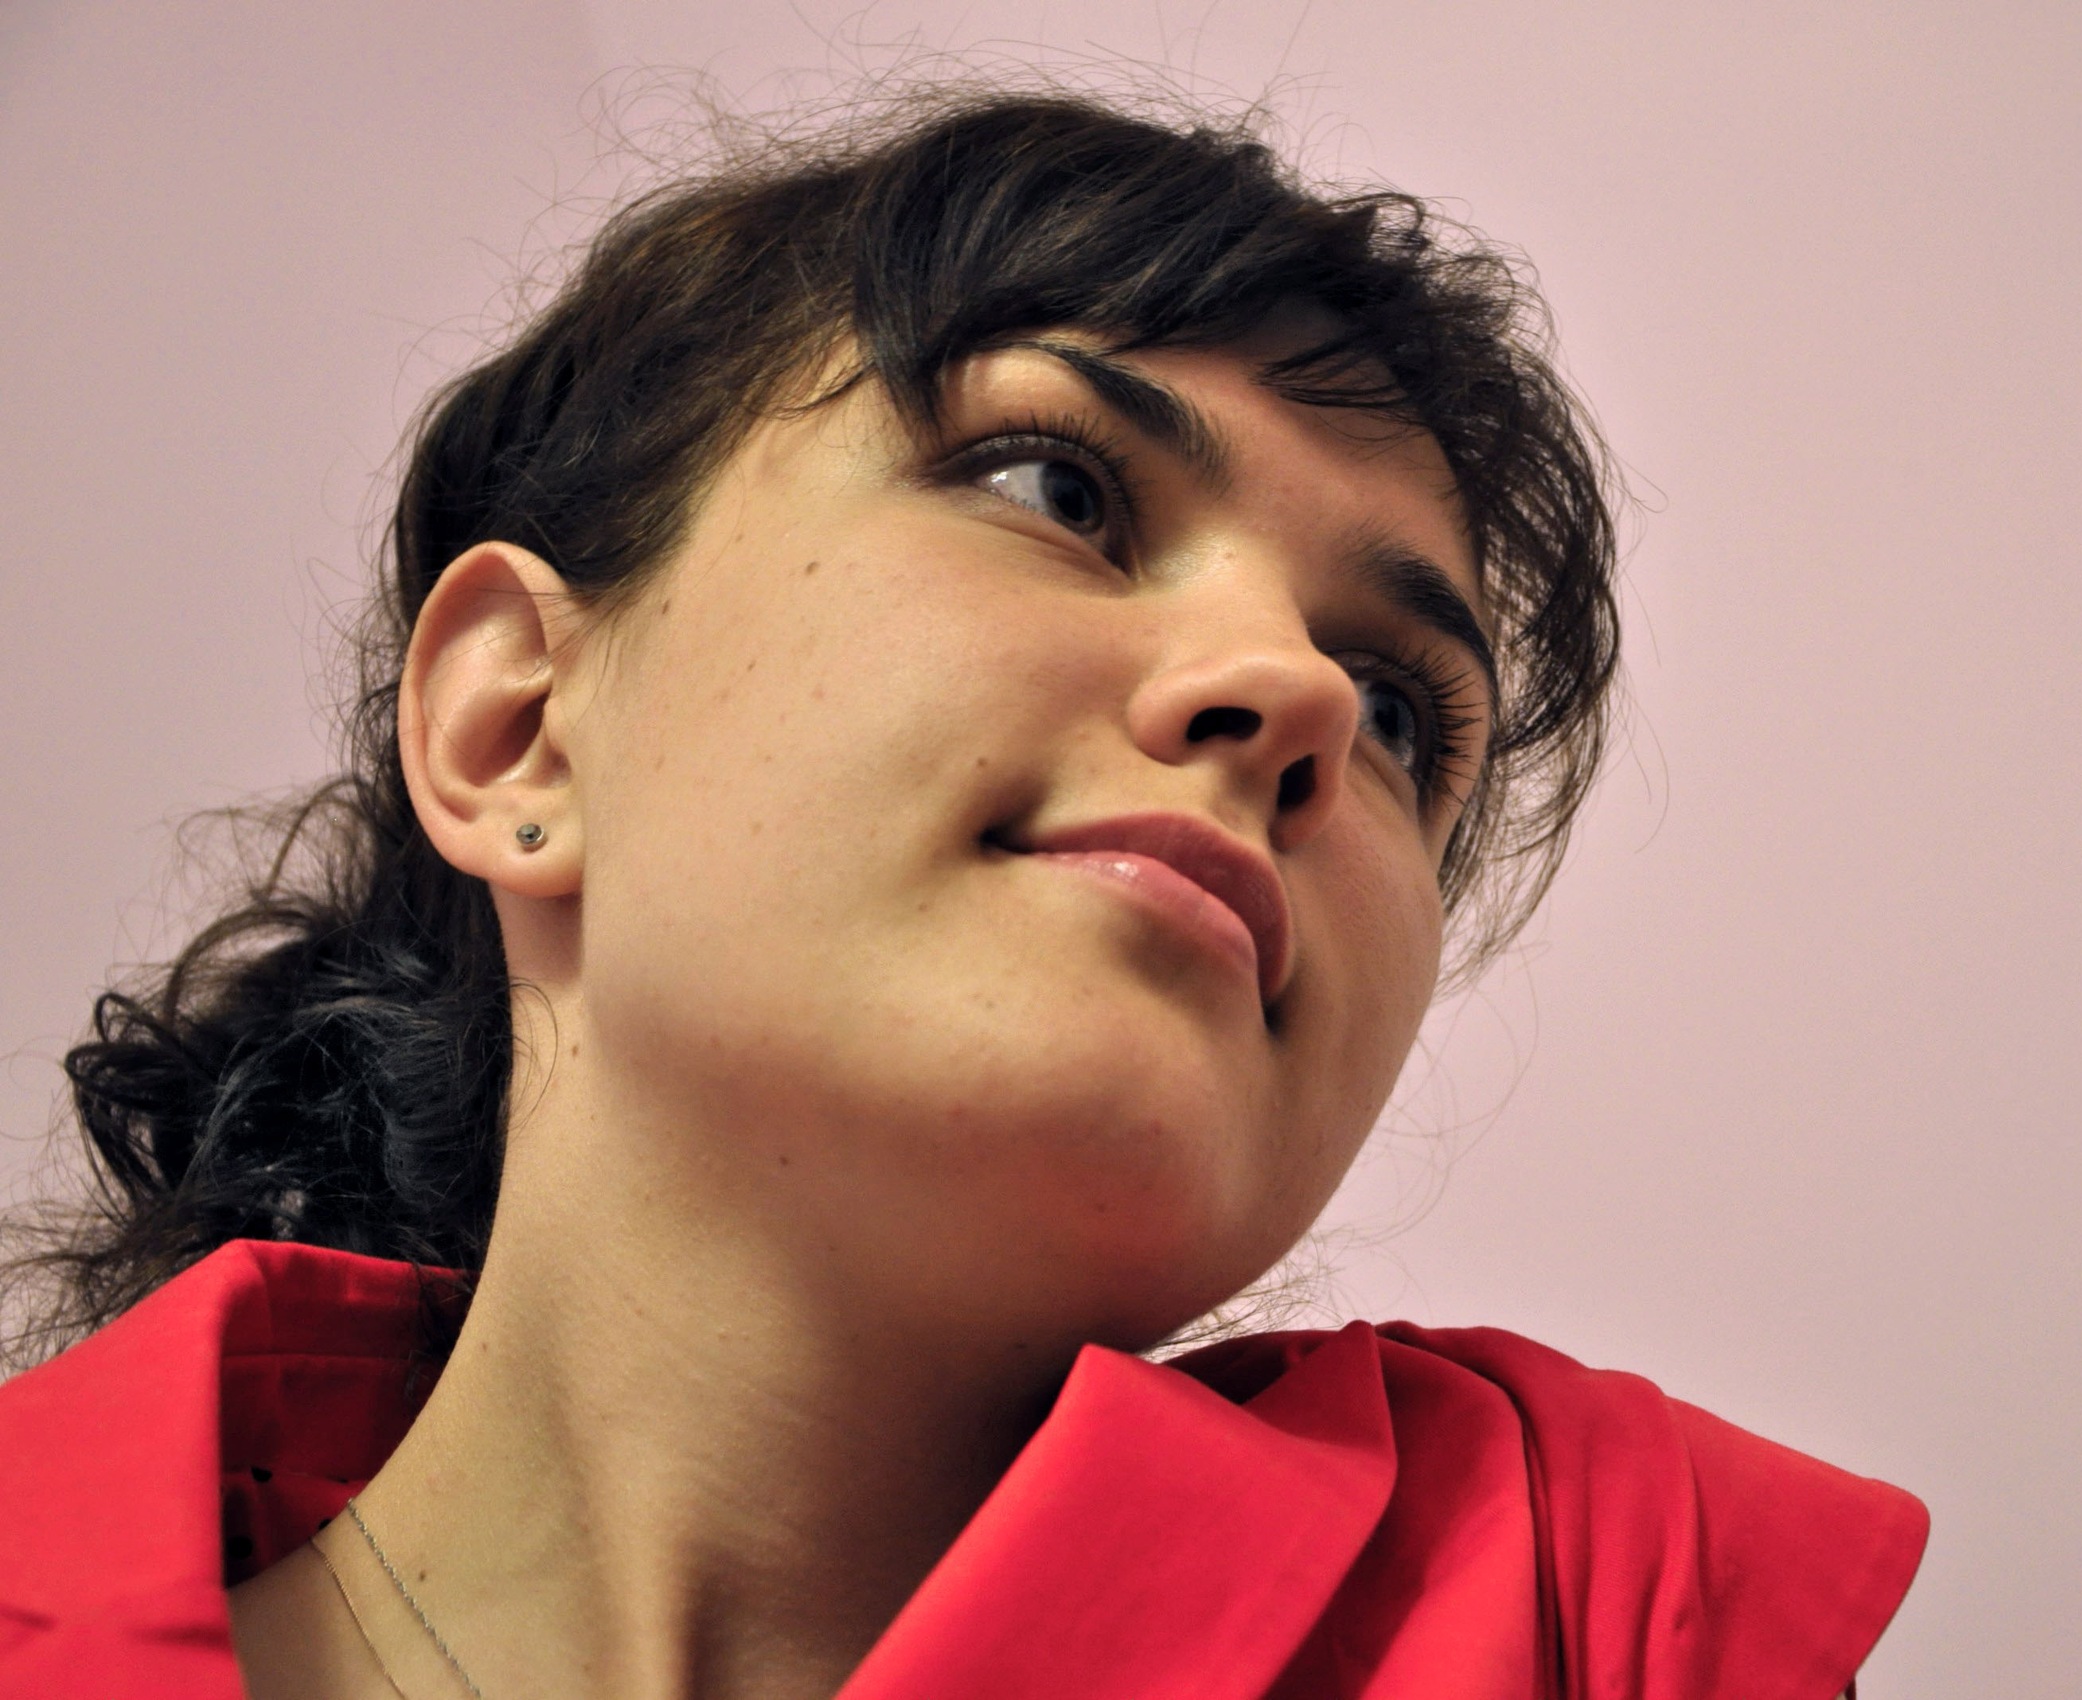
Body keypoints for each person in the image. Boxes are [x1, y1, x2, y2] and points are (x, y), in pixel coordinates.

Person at [0, 86, 1925, 1700]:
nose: (1303, 696)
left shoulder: (1611, 1613)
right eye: (1058, 490)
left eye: (1408, 717)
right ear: (518, 729)